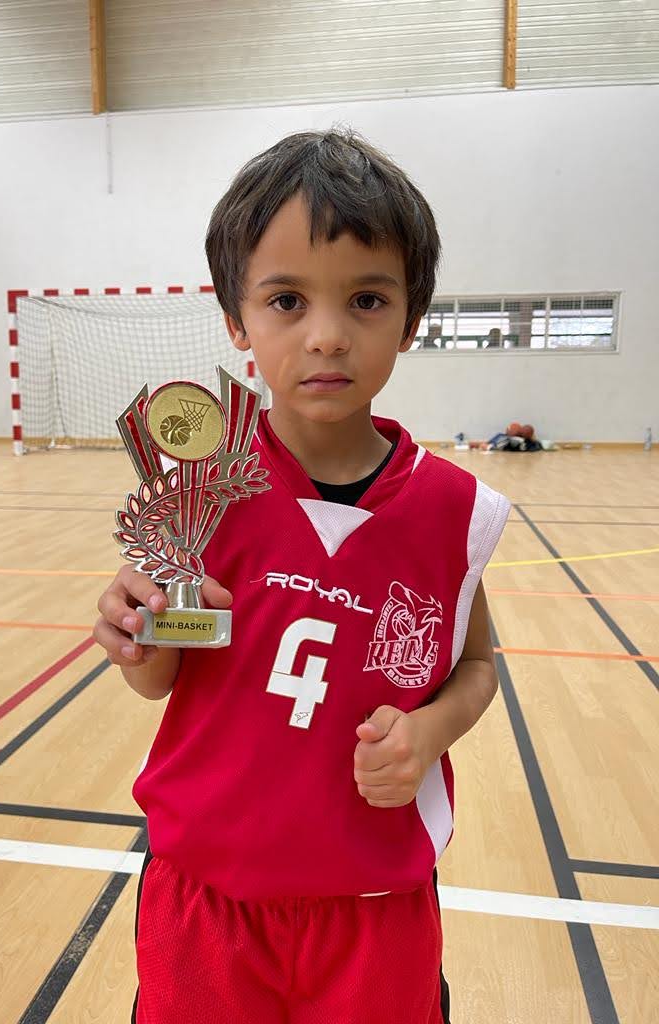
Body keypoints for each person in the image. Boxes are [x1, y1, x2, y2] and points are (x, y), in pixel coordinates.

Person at [93, 128, 511, 1024]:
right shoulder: (198, 491)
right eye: (287, 300)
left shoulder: (454, 511)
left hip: (374, 909)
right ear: (237, 320)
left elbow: (478, 665)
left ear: (411, 317)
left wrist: (429, 730)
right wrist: (137, 630)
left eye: (366, 299)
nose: (327, 336)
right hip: (206, 902)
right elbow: (157, 679)